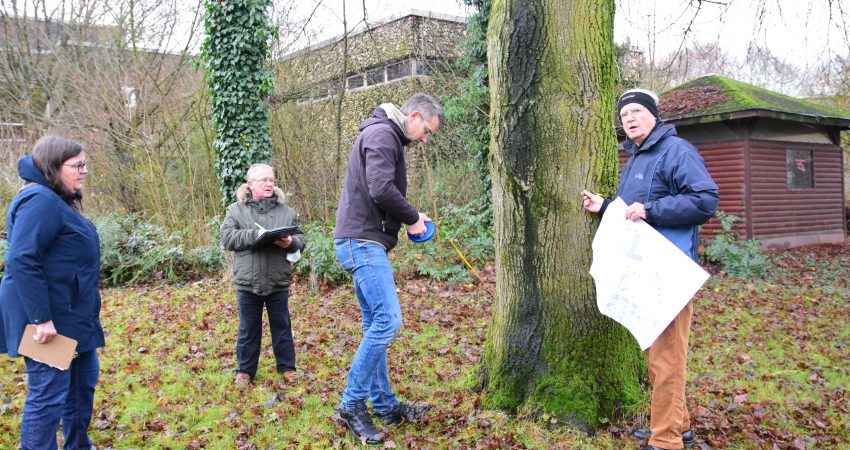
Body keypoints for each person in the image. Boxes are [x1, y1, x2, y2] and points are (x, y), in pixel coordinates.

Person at [582, 89, 718, 450]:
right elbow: (633, 212)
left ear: (654, 115)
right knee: (657, 357)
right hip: (645, 270)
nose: (629, 118)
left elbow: (705, 200)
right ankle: (679, 425)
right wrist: (606, 205)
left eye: (638, 111)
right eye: (624, 114)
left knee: (667, 359)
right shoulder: (637, 157)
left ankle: (667, 441)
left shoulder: (677, 151)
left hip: (670, 272)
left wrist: (652, 211)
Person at [332, 93, 443, 444]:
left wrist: (413, 216)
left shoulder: (384, 134)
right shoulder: (382, 135)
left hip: (362, 240)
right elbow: (381, 188)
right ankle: (351, 404)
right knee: (387, 321)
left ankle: (382, 404)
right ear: (413, 116)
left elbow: (381, 189)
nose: (426, 139)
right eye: (426, 130)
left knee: (374, 324)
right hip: (362, 242)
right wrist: (412, 218)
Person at [0, 136, 105, 450]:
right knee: (48, 394)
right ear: (52, 168)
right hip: (50, 319)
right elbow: (21, 258)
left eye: (85, 164)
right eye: (76, 166)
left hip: (74, 314)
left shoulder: (57, 198)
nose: (83, 171)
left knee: (81, 384)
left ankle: (78, 445)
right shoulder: (41, 200)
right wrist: (41, 319)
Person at [220, 163, 306, 391]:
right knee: (248, 329)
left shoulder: (286, 212)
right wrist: (255, 235)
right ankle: (245, 371)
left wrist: (291, 242)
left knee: (282, 327)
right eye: (263, 180)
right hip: (247, 282)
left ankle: (288, 369)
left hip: (278, 280)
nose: (269, 184)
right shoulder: (235, 211)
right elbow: (228, 238)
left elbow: (301, 239)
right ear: (250, 184)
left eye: (272, 180)